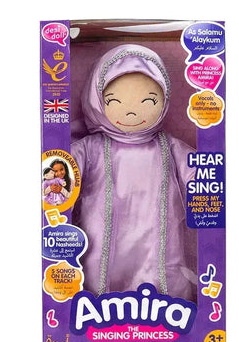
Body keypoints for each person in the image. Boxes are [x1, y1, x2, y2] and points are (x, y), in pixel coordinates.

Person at [71, 44, 197, 302]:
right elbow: (60, 173)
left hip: (160, 253)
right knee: (96, 277)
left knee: (166, 276)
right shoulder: (90, 149)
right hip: (100, 250)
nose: (131, 111)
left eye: (149, 101)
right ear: (96, 100)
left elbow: (203, 175)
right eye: (114, 101)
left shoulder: (169, 147)